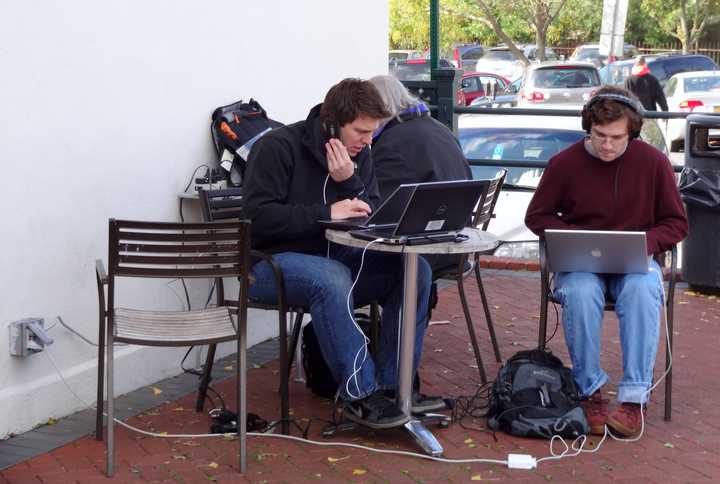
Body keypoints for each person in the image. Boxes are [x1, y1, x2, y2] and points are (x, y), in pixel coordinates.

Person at [242, 78, 440, 430]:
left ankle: (394, 389)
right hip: (268, 264)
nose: (368, 141)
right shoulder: (278, 147)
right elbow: (257, 219)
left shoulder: (359, 156)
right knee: (330, 278)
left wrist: (350, 181)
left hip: (338, 261)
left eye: (373, 133)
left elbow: (374, 211)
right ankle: (360, 396)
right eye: (361, 132)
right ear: (332, 124)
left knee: (415, 271)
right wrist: (326, 212)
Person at [524, 86, 687, 437]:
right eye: (599, 136)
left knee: (643, 290)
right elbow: (536, 216)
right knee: (581, 292)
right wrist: (568, 235)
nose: (607, 145)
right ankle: (589, 392)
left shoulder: (654, 163)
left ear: (633, 132)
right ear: (588, 127)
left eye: (616, 137)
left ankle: (633, 399)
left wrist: (646, 243)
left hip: (636, 262)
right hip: (580, 264)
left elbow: (677, 223)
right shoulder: (564, 163)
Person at [368, 75, 473, 276]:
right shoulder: (440, 129)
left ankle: (403, 307)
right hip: (456, 241)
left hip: (423, 251)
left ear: (378, 109)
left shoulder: (394, 142)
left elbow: (377, 210)